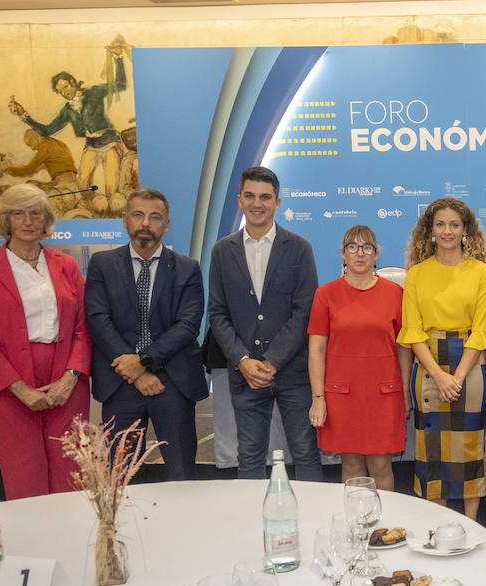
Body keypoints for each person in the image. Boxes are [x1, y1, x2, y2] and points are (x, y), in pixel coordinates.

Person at [0, 183, 90, 498]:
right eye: (18, 213)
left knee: (71, 471)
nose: (28, 221)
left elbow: (83, 328)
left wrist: (70, 378)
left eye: (36, 213)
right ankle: (33, 544)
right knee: (24, 473)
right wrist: (19, 388)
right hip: (9, 386)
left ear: (46, 219)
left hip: (66, 381)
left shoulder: (67, 265)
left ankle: (73, 543)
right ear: (5, 221)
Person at [207, 166, 322, 481]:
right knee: (249, 457)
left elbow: (304, 312)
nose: (257, 203)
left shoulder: (299, 248)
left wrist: (272, 361)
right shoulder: (221, 251)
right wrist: (243, 361)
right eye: (250, 196)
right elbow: (217, 313)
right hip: (245, 375)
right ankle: (252, 527)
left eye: (265, 197)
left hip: (294, 373)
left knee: (306, 453)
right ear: (239, 200)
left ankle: (313, 522)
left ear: (277, 203)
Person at [85, 187, 208, 481]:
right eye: (138, 215)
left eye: (155, 217)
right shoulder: (103, 264)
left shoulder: (187, 268)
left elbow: (188, 324)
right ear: (125, 220)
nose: (145, 223)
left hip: (173, 383)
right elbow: (98, 319)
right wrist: (135, 371)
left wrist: (144, 361)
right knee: (122, 478)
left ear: (166, 225)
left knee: (181, 475)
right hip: (120, 381)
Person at [399, 198, 486, 520]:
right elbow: (412, 333)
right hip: (428, 365)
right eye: (440, 224)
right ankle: (436, 527)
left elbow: (481, 331)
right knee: (432, 452)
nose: (447, 231)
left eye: (454, 224)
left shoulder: (482, 273)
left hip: (471, 364)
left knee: (470, 448)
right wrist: (440, 376)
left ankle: (470, 527)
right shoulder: (416, 274)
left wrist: (457, 375)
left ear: (465, 230)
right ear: (429, 230)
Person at [307, 225, 409, 492]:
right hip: (342, 395)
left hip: (384, 394)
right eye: (353, 247)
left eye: (367, 247)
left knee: (381, 467)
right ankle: (356, 530)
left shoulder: (394, 293)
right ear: (343, 253)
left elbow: (404, 348)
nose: (360, 253)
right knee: (351, 467)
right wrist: (318, 398)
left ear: (376, 254)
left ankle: (383, 531)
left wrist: (406, 393)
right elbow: (316, 350)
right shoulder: (325, 294)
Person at [10, 38, 129, 215]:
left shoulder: (93, 93)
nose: (65, 92)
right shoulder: (67, 110)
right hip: (91, 145)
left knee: (112, 190)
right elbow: (47, 130)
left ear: (73, 83)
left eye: (66, 86)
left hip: (110, 141)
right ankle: (90, 215)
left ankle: (111, 220)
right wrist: (23, 114)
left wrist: (118, 59)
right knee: (82, 187)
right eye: (61, 91)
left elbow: (120, 85)